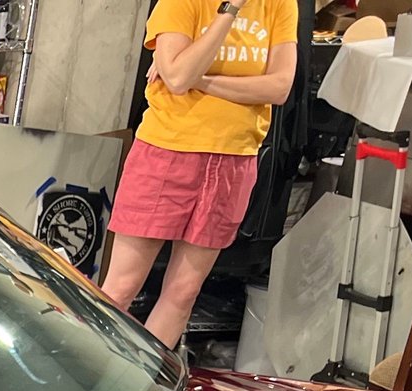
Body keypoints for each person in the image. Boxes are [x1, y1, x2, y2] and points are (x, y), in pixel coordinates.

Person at [100, 0, 298, 348]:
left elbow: (279, 87)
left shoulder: (280, 4)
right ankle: (89, 372)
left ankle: (150, 378)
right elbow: (178, 79)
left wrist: (202, 80)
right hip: (167, 151)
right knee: (121, 287)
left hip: (234, 158)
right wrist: (230, 10)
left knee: (184, 291)